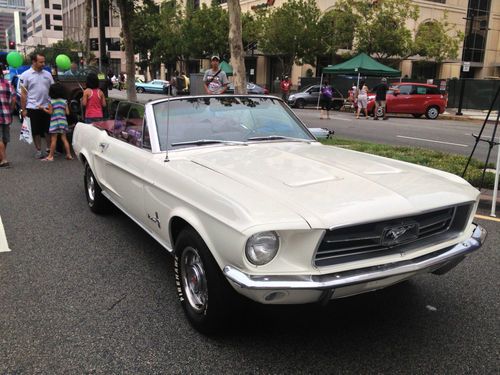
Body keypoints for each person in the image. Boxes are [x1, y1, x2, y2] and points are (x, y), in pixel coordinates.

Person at [19, 53, 54, 159]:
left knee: (48, 130)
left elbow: (53, 90)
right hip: (33, 107)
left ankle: (49, 149)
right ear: (34, 62)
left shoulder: (47, 74)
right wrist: (23, 109)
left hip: (47, 106)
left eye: (44, 61)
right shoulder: (25, 75)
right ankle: (39, 150)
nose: (43, 64)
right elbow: (23, 94)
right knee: (36, 131)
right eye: (41, 62)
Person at [39, 83, 72, 161]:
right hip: (63, 122)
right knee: (64, 138)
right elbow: (67, 113)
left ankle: (50, 156)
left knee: (54, 139)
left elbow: (50, 112)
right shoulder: (64, 101)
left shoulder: (51, 101)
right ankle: (69, 155)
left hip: (54, 122)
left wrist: (43, 108)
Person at [0, 64, 15, 168]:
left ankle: (4, 159)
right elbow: (13, 99)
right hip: (6, 115)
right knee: (5, 139)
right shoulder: (7, 84)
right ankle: (2, 158)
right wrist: (11, 110)